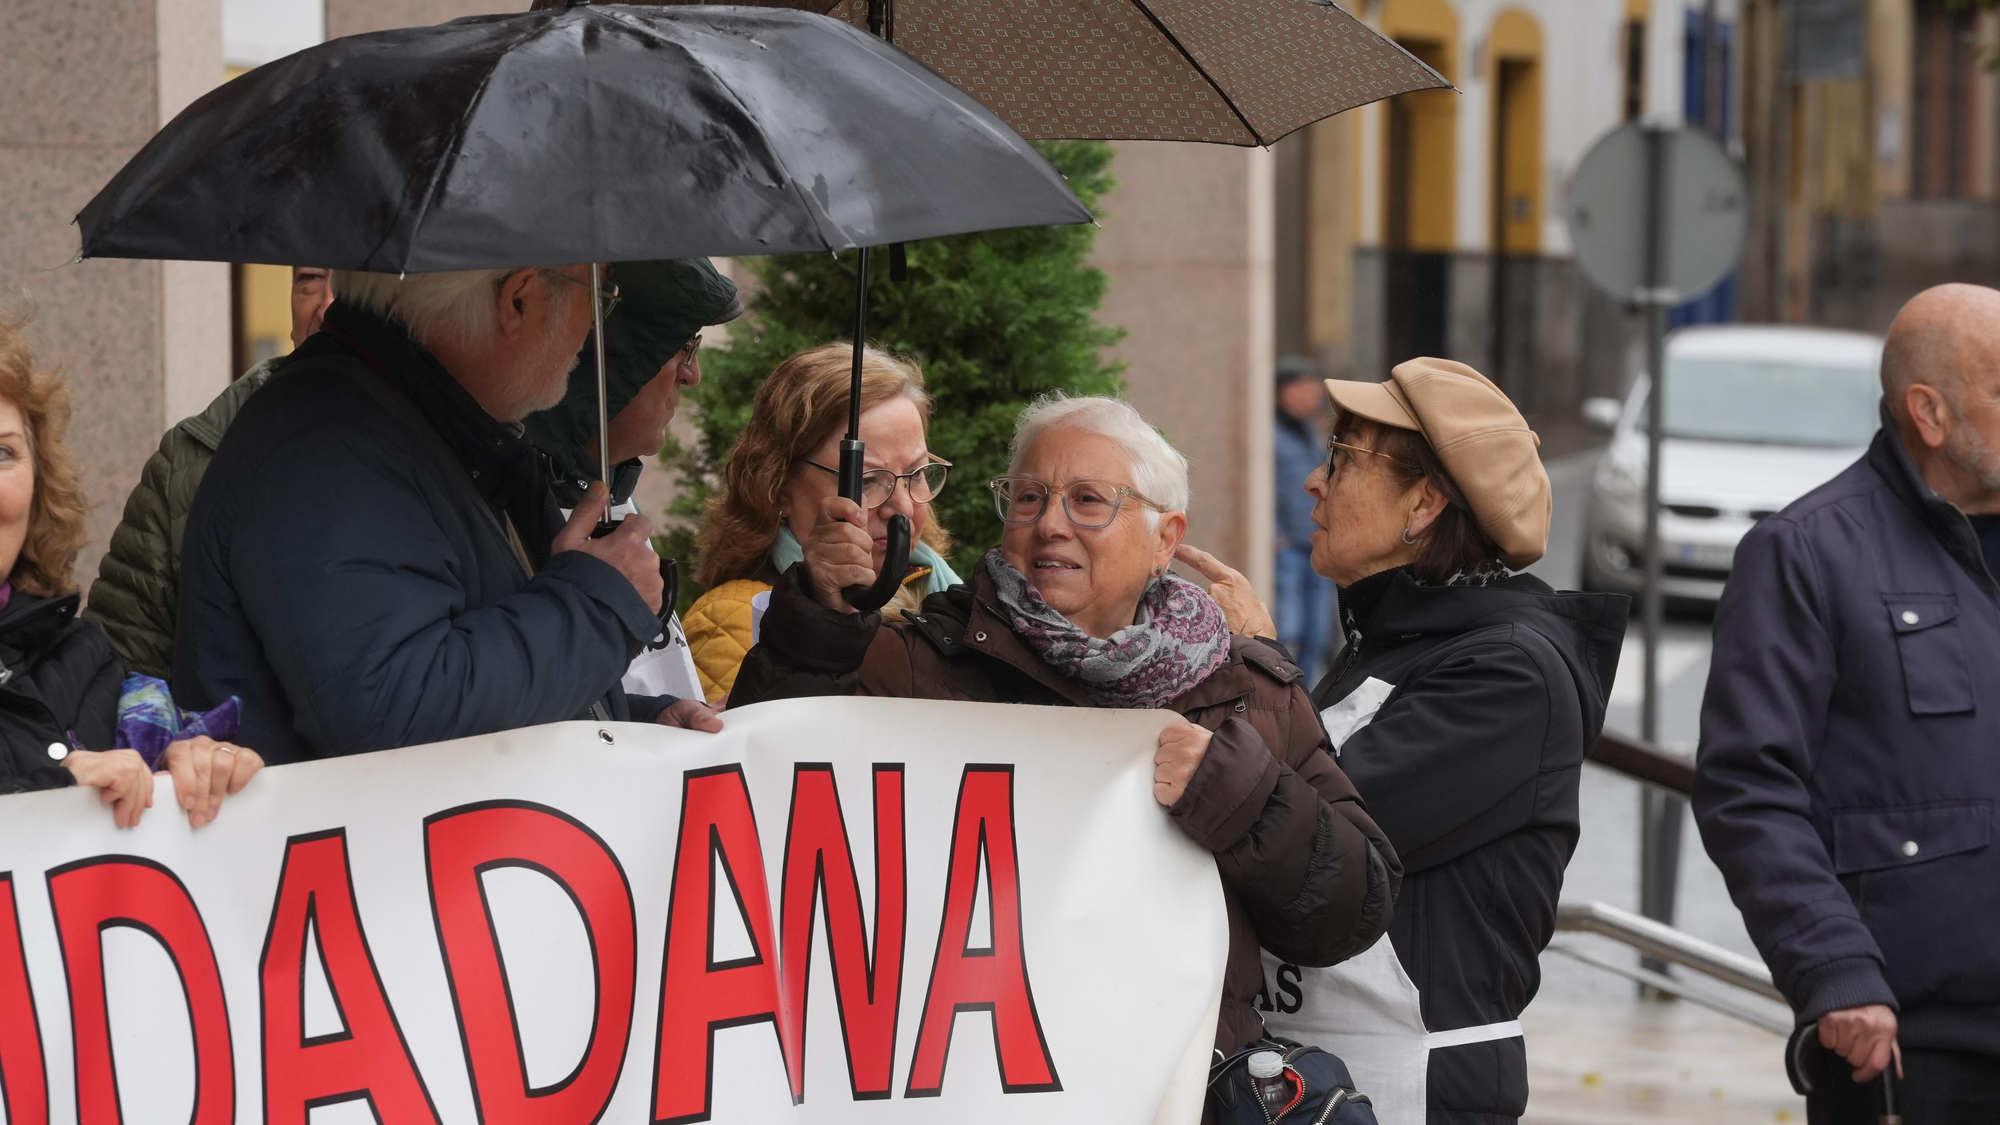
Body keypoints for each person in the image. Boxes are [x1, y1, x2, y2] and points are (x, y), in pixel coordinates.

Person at [730, 394, 1399, 1081]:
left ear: (1165, 537)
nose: (1050, 524)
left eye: (1087, 501)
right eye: (1028, 498)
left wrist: (1246, 799)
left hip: (1177, 1090)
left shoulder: (1251, 692)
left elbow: (1352, 911)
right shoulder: (915, 662)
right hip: (966, 1083)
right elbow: (760, 811)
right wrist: (817, 620)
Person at [1190, 358, 1623, 1124]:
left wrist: (1259, 663)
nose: (1312, 485)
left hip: (1416, 1084)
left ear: (1423, 503)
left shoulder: (1512, 671)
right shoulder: (1388, 641)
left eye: (1341, 460)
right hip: (1309, 1067)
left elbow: (1319, 832)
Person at [175, 264, 720, 764]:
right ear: (519, 301)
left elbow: (471, 676)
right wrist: (598, 604)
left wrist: (629, 721)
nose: (593, 330)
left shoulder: (445, 430)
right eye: (599, 298)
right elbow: (393, 716)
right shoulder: (332, 446)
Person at [1694, 283, 2000, 1124]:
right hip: (1905, 1049)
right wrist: (1833, 968)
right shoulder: (1805, 554)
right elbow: (1748, 788)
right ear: (1929, 412)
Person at [0, 322, 263, 826]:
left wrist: (190, 764)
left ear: (40, 486)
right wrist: (49, 797)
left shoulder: (85, 659)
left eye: (3, 452)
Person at [86, 265, 334, 679]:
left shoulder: (454, 450)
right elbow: (122, 671)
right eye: (310, 278)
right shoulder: (191, 459)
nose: (326, 305)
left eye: (354, 280)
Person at [682, 343, 960, 703]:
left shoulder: (947, 597)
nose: (903, 506)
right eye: (865, 480)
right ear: (778, 486)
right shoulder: (735, 618)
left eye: (916, 473)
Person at [524, 258, 744, 701]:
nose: (692, 374)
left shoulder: (611, 495)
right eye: (681, 346)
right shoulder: (517, 512)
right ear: (611, 359)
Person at [1274, 355, 1336, 682]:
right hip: (1288, 548)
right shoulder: (1270, 434)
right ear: (1286, 391)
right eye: (1306, 389)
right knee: (1289, 628)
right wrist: (1273, 532)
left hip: (1316, 542)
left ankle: (1310, 700)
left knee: (1319, 632)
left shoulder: (1311, 431)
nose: (1314, 396)